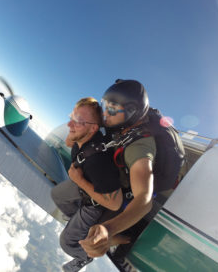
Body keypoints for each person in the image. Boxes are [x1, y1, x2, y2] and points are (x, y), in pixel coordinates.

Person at [79, 79, 184, 258]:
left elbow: (144, 198)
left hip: (141, 188)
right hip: (134, 174)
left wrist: (108, 229)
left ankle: (124, 238)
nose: (105, 114)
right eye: (105, 106)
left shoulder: (139, 147)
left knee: (93, 231)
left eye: (111, 110)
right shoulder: (131, 123)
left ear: (131, 112)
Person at [51, 97, 123, 272]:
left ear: (93, 128)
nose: (70, 125)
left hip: (96, 203)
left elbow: (115, 203)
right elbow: (69, 142)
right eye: (71, 118)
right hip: (84, 183)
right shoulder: (84, 137)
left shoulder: (98, 161)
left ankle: (84, 257)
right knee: (57, 195)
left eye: (78, 121)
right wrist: (76, 126)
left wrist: (79, 180)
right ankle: (80, 224)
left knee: (66, 243)